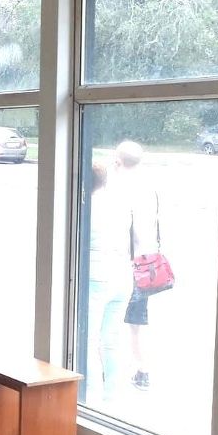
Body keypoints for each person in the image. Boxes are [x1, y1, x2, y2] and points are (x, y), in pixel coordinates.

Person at [110, 141, 161, 391]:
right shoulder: (148, 187)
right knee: (136, 323)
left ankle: (112, 370)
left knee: (111, 317)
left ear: (117, 160)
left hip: (125, 263)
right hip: (146, 264)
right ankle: (142, 370)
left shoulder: (117, 187)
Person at [85, 160, 131, 402]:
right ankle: (112, 397)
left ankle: (90, 398)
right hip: (122, 273)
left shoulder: (86, 207)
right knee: (111, 339)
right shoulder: (118, 204)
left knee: (88, 340)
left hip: (96, 275)